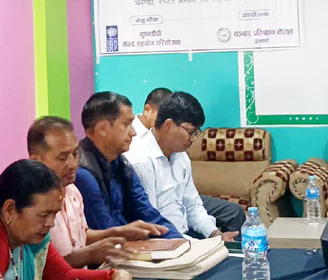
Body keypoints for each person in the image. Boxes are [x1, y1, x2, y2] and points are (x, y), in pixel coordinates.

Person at [0, 159, 134, 280]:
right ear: (10, 209)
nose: (51, 223)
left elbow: (62, 277)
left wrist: (113, 278)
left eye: (55, 214)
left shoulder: (30, 236)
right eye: (44, 215)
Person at [27, 116, 166, 268]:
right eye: (62, 158)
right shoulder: (29, 205)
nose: (73, 164)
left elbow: (80, 236)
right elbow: (42, 271)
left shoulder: (73, 191)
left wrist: (118, 232)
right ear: (36, 160)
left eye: (75, 154)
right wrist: (89, 255)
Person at [125, 91, 242, 238]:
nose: (193, 139)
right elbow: (152, 225)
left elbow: (193, 206)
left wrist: (215, 235)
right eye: (190, 132)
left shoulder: (181, 157)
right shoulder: (142, 162)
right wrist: (201, 245)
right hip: (163, 242)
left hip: (184, 235)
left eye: (196, 133)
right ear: (168, 125)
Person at [73, 92, 182, 239]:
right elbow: (108, 234)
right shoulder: (83, 174)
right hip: (111, 256)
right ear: (102, 128)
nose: (134, 132)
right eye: (126, 124)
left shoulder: (121, 162)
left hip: (130, 248)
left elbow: (148, 213)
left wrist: (180, 243)